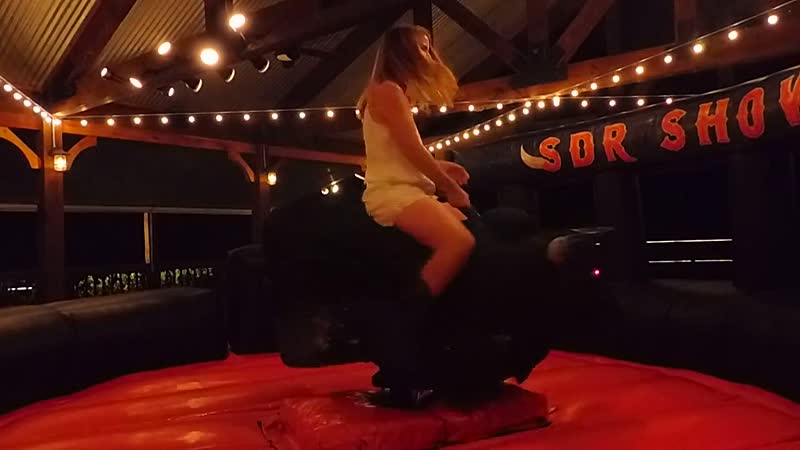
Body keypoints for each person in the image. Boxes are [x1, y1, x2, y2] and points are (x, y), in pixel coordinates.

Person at [357, 25, 475, 300]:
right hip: (393, 192)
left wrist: (442, 168)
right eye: (422, 48)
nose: (429, 55)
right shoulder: (388, 91)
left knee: (467, 225)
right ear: (404, 52)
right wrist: (450, 188)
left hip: (407, 188)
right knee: (459, 242)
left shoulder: (393, 91)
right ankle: (409, 312)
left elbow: (399, 152)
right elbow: (413, 149)